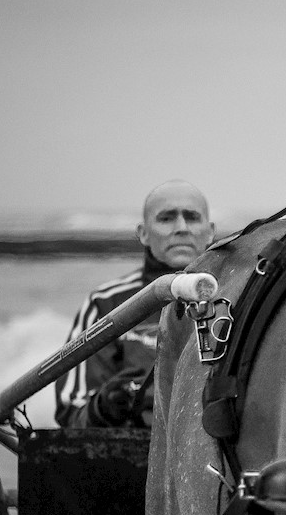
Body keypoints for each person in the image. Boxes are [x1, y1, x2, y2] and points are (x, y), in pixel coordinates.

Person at [54, 180, 215, 428]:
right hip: (130, 454)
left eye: (192, 218)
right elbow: (70, 413)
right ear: (143, 233)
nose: (181, 228)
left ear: (211, 231)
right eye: (167, 218)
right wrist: (102, 408)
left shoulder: (240, 297)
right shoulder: (106, 303)